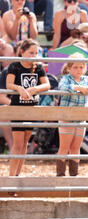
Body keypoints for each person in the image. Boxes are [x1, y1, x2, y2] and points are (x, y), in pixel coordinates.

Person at [6, 39, 51, 181]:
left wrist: (35, 89)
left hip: (32, 107)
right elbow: (9, 84)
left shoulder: (38, 67)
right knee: (18, 143)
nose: (33, 56)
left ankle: (18, 174)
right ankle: (11, 177)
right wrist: (19, 88)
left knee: (26, 141)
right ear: (22, 52)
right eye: (31, 53)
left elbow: (47, 85)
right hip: (18, 108)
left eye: (36, 53)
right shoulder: (14, 66)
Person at [57, 52, 88, 176]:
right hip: (67, 117)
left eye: (81, 67)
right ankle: (60, 174)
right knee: (64, 147)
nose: (78, 70)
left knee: (76, 147)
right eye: (75, 67)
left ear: (84, 68)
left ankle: (74, 174)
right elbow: (62, 88)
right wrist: (77, 88)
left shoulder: (86, 80)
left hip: (81, 117)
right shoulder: (66, 78)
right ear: (69, 68)